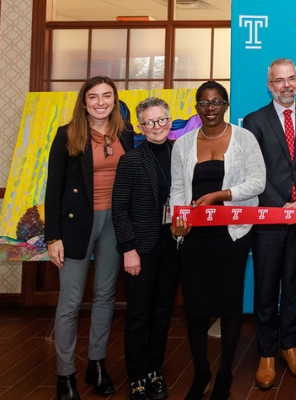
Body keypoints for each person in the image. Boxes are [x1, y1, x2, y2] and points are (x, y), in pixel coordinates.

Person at [169, 81, 265, 400]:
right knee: (195, 307)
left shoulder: (244, 138)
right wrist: (177, 223)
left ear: (226, 105)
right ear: (196, 107)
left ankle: (224, 373)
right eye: (203, 103)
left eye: (216, 102)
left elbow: (257, 182)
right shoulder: (182, 145)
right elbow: (177, 191)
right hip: (194, 238)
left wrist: (220, 196)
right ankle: (200, 371)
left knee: (229, 305)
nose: (210, 108)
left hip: (232, 234)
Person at [45, 76, 134, 400]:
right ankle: (64, 375)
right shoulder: (67, 135)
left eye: (107, 96)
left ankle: (96, 364)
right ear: (84, 102)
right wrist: (52, 236)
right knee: (70, 302)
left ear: (114, 100)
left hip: (115, 222)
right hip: (76, 226)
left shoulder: (126, 133)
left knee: (106, 295)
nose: (100, 102)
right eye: (93, 97)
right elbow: (53, 188)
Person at [241, 58, 296, 387]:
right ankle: (266, 352)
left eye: (291, 79)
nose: (286, 85)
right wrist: (281, 207)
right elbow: (253, 172)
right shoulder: (254, 121)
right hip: (268, 218)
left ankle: (289, 345)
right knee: (265, 289)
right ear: (269, 85)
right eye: (279, 81)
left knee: (293, 287)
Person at [112, 97, 179, 400]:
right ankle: (137, 375)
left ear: (170, 120)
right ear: (141, 127)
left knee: (163, 311)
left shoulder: (181, 154)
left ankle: (154, 369)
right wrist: (128, 250)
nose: (157, 127)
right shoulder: (131, 160)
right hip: (141, 247)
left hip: (174, 245)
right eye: (150, 122)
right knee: (139, 314)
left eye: (162, 120)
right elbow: (119, 209)